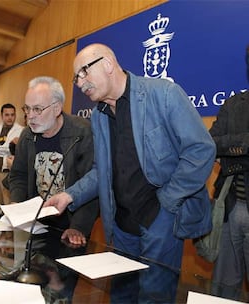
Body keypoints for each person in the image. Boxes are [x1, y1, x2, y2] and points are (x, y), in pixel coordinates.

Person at [44, 43, 216, 303]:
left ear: (108, 64)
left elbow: (200, 150)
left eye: (83, 73)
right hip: (120, 224)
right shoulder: (99, 115)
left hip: (160, 220)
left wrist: (168, 201)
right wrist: (69, 195)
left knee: (154, 297)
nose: (79, 83)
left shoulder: (163, 94)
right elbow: (101, 170)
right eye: (76, 78)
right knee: (121, 296)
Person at [9, 76, 99, 245]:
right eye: (27, 109)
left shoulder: (82, 132)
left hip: (69, 224)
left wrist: (79, 226)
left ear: (57, 108)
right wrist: (16, 204)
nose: (30, 116)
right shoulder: (27, 135)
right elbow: (18, 175)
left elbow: (92, 184)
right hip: (35, 224)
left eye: (37, 109)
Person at [209, 48, 249, 300]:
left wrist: (232, 151)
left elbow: (224, 146)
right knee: (224, 291)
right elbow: (211, 143)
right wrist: (245, 143)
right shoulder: (233, 105)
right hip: (230, 207)